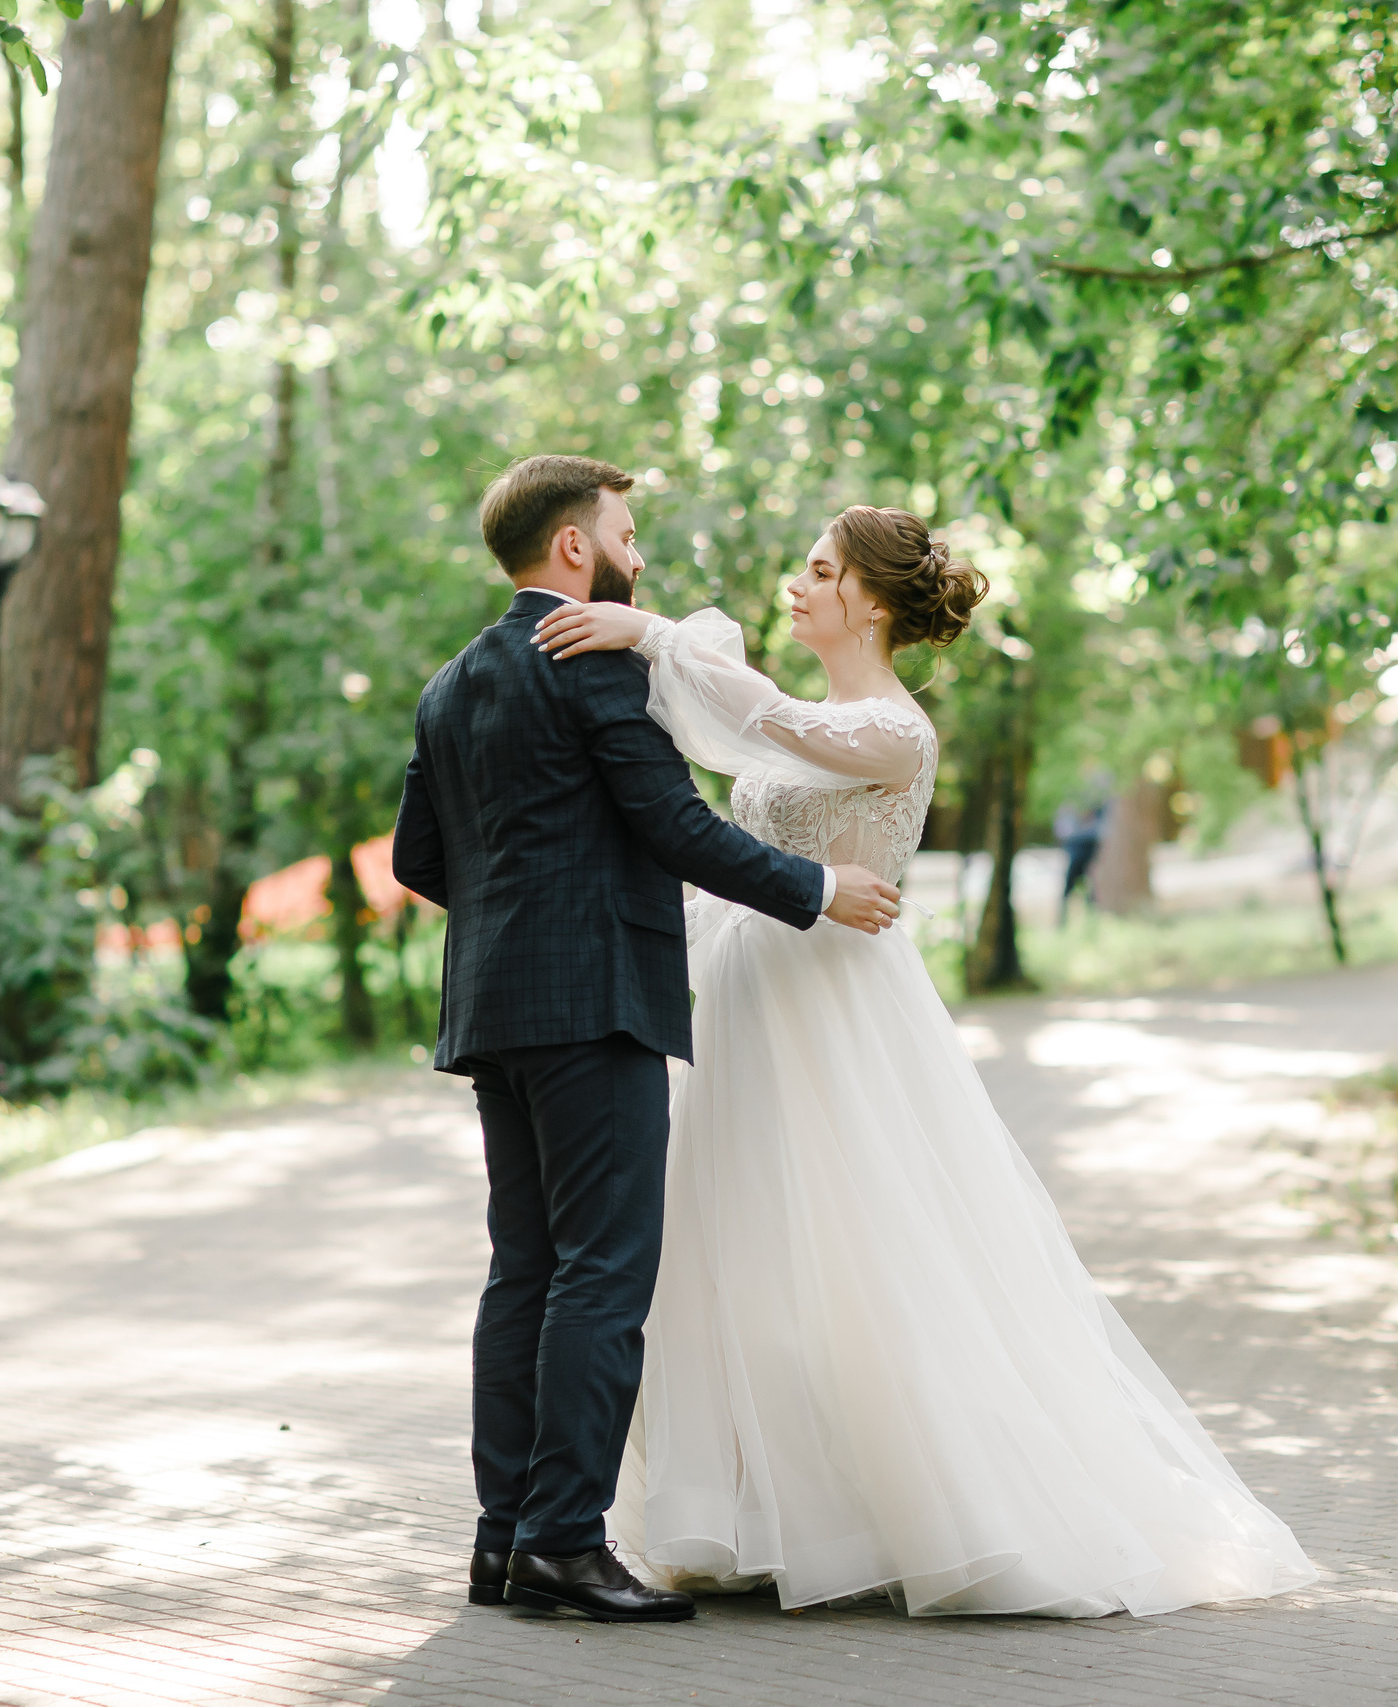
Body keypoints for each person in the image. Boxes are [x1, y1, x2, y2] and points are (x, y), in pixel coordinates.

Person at [531, 506, 1317, 1617]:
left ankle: (918, 1507)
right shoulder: (804, 717)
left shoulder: (892, 730)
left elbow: (760, 718)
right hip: (753, 998)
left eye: (820, 572)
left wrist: (653, 633)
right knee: (739, 1253)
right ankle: (759, 1509)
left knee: (866, 1253)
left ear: (871, 602)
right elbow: (739, 785)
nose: (797, 586)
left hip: (839, 1013)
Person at [390, 455, 903, 1625]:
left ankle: (502, 1542)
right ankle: (565, 1544)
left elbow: (421, 858)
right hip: (596, 1000)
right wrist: (819, 888)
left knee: (524, 1271)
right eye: (624, 533)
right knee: (604, 1272)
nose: (637, 553)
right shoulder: (593, 661)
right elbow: (674, 825)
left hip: (490, 1007)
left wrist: (519, 909)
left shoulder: (448, 684)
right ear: (575, 547)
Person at [1054, 784, 1109, 925]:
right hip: (1075, 845)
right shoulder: (1069, 802)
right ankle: (1064, 919)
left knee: (1088, 884)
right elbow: (1062, 828)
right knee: (1073, 882)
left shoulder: (1096, 802)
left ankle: (1091, 921)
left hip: (1088, 845)